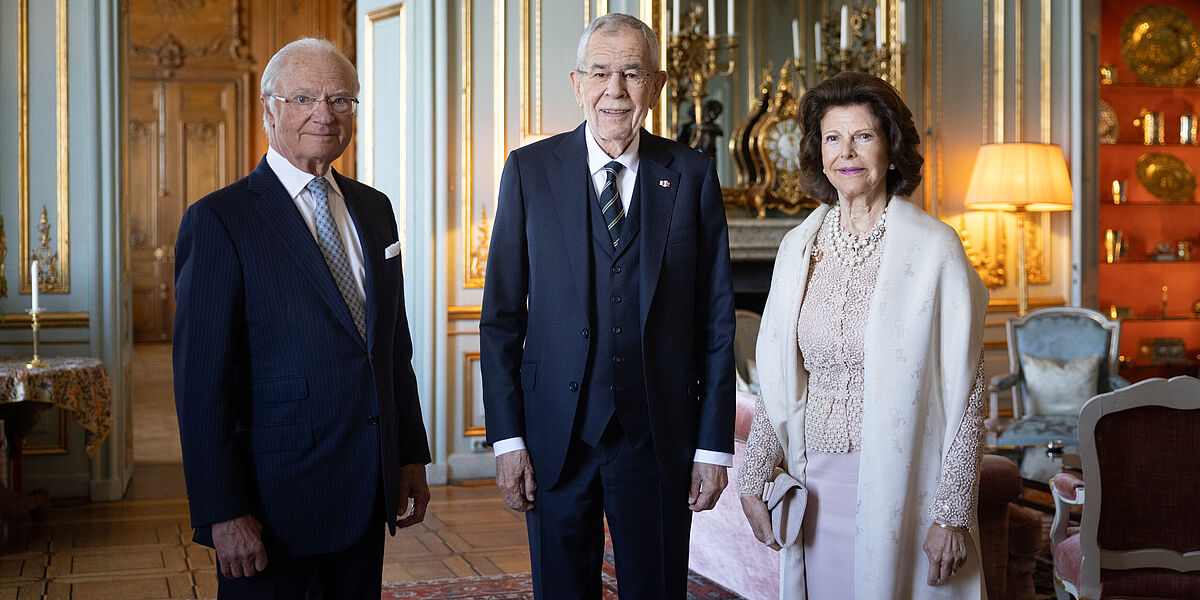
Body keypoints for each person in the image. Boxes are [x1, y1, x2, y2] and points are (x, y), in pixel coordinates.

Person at [480, 13, 736, 599]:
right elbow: (500, 320)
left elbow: (717, 323)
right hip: (554, 440)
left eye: (631, 73)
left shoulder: (692, 175)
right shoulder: (528, 171)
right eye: (600, 72)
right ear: (577, 83)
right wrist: (509, 440)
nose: (614, 91)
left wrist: (712, 445)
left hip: (659, 436)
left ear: (658, 84)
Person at [172, 37, 430, 598]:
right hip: (273, 506)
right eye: (305, 98)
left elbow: (392, 349)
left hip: (366, 489)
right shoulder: (219, 220)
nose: (325, 113)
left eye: (340, 99)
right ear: (270, 109)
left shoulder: (375, 208)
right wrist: (223, 510)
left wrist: (409, 454)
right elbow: (201, 384)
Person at [737, 71, 989, 599]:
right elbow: (777, 380)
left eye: (864, 137)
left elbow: (968, 393)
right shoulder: (797, 248)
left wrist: (953, 512)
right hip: (815, 485)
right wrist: (755, 472)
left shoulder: (934, 249)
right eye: (833, 138)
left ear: (892, 149)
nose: (846, 153)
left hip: (907, 484)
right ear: (818, 152)